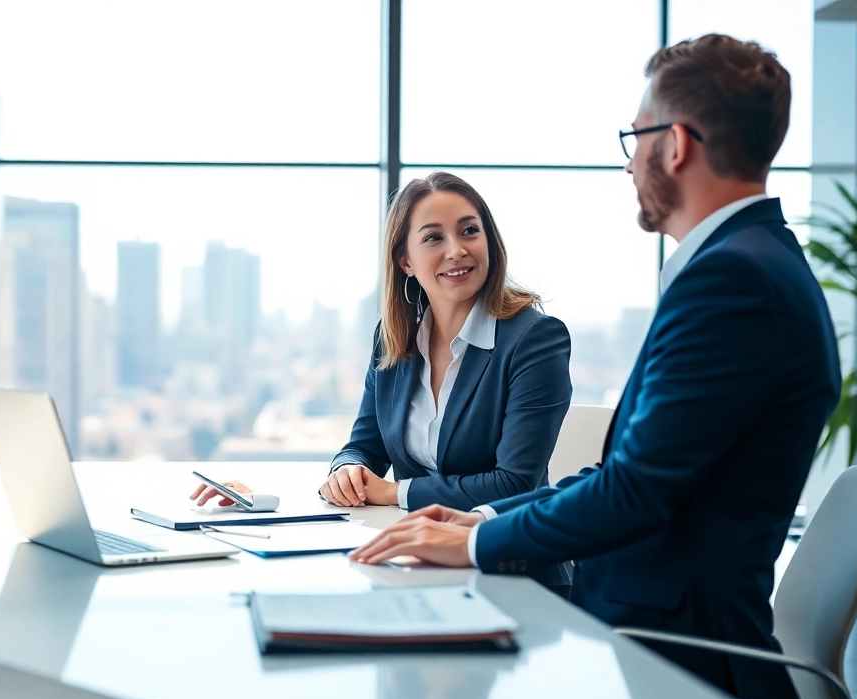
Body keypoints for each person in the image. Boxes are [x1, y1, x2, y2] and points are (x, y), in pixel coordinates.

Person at [350, 34, 839, 699]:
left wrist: (474, 545)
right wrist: (481, 522)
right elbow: (627, 474)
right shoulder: (746, 264)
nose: (630, 162)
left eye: (635, 138)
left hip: (670, 657)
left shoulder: (733, 281)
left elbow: (633, 494)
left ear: (675, 146)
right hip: (647, 631)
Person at [195, 171, 574, 595]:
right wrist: (347, 471)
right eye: (434, 238)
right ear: (405, 260)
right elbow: (365, 445)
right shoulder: (394, 337)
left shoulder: (534, 339)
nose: (456, 250)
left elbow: (513, 484)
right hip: (414, 568)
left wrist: (394, 492)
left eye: (469, 231)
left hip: (512, 573)